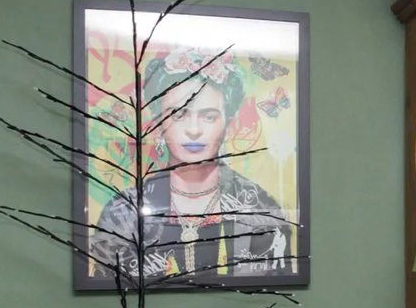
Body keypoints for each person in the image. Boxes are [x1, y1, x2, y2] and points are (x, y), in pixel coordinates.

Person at [89, 53, 293, 282]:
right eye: (179, 115)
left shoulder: (260, 208)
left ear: (228, 122)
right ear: (158, 123)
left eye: (208, 117)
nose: (194, 130)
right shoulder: (124, 212)